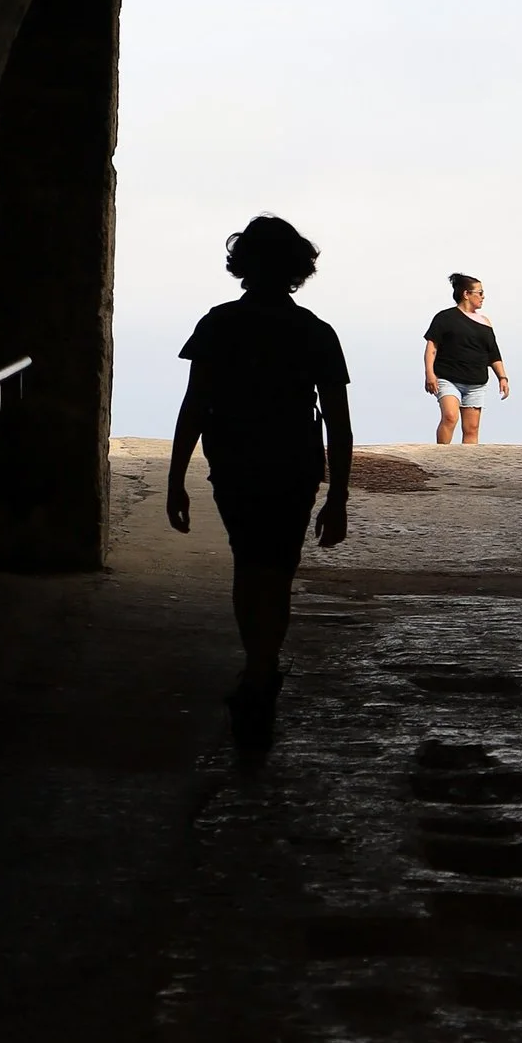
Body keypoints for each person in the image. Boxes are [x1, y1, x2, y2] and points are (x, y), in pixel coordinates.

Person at [165, 214, 352, 745]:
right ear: (298, 270)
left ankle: (258, 665)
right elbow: (337, 421)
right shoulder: (315, 332)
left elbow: (194, 406)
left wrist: (176, 477)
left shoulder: (219, 324)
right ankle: (264, 663)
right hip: (294, 462)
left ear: (242, 265)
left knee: (249, 563)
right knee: (279, 566)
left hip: (235, 460)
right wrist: (337, 496)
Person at [423, 274, 510, 446]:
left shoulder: (485, 322)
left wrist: (503, 377)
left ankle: (467, 466)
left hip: (476, 382)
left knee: (472, 427)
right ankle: (440, 456)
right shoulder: (445, 318)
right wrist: (429, 374)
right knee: (450, 416)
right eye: (480, 292)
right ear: (466, 294)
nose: (483, 297)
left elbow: (493, 353)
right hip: (448, 378)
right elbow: (431, 348)